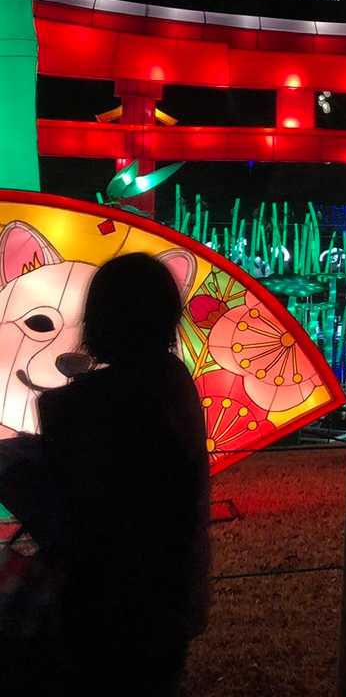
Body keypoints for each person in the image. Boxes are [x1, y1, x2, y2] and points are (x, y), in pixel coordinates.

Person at [37, 252, 210, 695]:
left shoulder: (95, 402)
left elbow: (68, 476)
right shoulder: (174, 382)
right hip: (167, 590)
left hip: (103, 593)